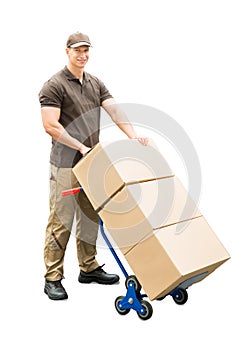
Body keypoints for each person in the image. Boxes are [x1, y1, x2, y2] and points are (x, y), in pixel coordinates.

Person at [39, 32, 148, 300]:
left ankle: (88, 268)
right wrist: (79, 146)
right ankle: (52, 277)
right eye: (77, 50)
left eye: (86, 50)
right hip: (65, 165)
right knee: (61, 220)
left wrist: (133, 136)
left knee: (91, 216)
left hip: (91, 162)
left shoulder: (95, 82)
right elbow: (50, 125)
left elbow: (114, 110)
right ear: (67, 52)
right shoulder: (53, 85)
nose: (83, 55)